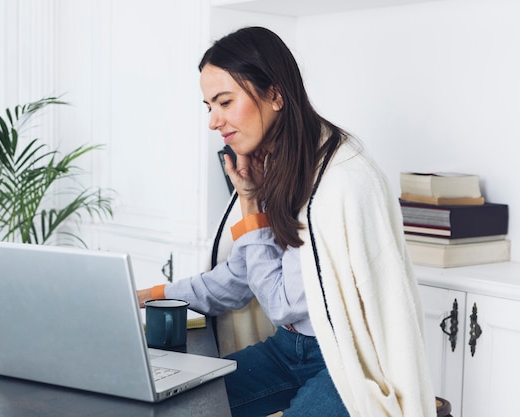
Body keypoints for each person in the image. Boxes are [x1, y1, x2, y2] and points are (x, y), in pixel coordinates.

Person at [138, 26, 436, 417]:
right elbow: (239, 278)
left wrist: (249, 207)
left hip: (345, 356)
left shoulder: (339, 181)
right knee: (181, 405)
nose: (214, 121)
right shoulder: (274, 164)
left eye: (224, 102)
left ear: (275, 95)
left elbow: (283, 304)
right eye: (208, 106)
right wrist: (147, 296)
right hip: (289, 349)